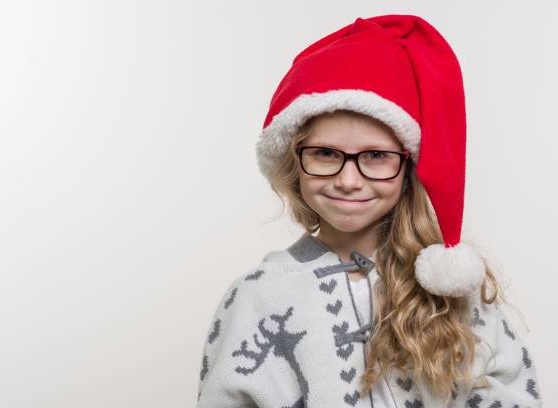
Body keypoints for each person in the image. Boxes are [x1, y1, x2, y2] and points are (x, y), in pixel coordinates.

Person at [195, 14, 543, 408]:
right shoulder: (258, 296)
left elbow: (513, 390)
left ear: (408, 166)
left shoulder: (451, 292)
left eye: (375, 156)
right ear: (295, 160)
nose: (348, 180)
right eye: (326, 154)